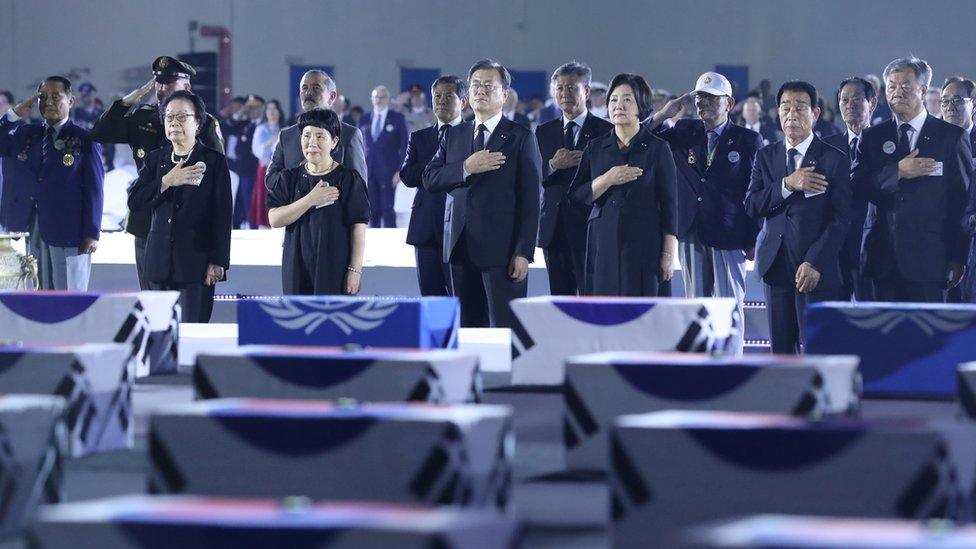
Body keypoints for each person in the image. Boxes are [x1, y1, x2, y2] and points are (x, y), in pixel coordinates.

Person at [649, 72, 764, 355]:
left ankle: (730, 365)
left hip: (730, 232)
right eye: (700, 97)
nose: (704, 103)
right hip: (690, 230)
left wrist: (753, 238)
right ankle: (699, 365)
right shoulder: (684, 130)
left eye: (712, 98)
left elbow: (755, 190)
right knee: (696, 305)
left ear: (730, 103)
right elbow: (643, 141)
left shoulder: (748, 139)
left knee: (729, 305)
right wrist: (665, 113)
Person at [424, 59, 542, 328]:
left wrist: (524, 251)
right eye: (476, 85)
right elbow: (430, 177)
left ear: (504, 94)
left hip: (503, 252)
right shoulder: (455, 135)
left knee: (504, 328)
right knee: (467, 328)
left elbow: (532, 199)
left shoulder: (520, 137)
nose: (481, 90)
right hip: (459, 246)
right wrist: (466, 167)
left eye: (489, 85)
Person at [90, 55, 224, 291]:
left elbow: (217, 184)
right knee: (153, 302)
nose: (162, 90)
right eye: (159, 83)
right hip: (147, 223)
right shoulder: (142, 118)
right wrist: (127, 102)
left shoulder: (204, 125)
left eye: (169, 83)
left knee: (190, 303)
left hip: (190, 225)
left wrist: (218, 253)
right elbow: (100, 133)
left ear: (187, 87)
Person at [853, 57, 972, 303]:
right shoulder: (872, 137)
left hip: (932, 262)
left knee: (929, 339)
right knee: (882, 340)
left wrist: (958, 257)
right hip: (881, 260)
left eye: (905, 85)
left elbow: (962, 202)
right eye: (891, 86)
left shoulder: (951, 137)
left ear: (924, 90)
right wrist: (897, 171)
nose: (897, 92)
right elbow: (857, 186)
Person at [745, 81, 851, 354]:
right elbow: (752, 205)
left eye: (800, 108)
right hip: (775, 265)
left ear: (815, 113)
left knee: (819, 349)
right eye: (785, 108)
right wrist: (787, 184)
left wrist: (815, 261)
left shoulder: (834, 158)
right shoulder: (766, 156)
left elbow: (840, 220)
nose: (792, 115)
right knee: (781, 351)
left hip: (816, 270)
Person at [568, 73, 678, 297]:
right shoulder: (596, 147)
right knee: (604, 311)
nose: (619, 105)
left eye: (627, 99)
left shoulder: (658, 148)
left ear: (641, 106)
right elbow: (576, 196)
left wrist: (668, 253)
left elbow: (670, 204)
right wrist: (607, 179)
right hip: (603, 240)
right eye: (614, 100)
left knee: (644, 310)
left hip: (645, 242)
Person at [127, 90, 232, 322]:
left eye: (182, 117)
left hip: (196, 263)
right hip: (158, 262)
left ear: (198, 123)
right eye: (169, 117)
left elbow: (222, 215)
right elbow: (135, 201)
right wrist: (166, 182)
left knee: (191, 332)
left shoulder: (213, 161)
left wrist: (218, 261)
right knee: (159, 334)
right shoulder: (156, 159)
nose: (174, 122)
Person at [0, 76, 104, 290]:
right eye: (43, 97)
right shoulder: (26, 134)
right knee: (40, 289)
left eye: (56, 96)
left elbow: (95, 189)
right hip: (34, 225)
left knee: (68, 291)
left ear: (71, 101)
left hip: (69, 229)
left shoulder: (84, 138)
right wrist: (14, 114)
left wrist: (92, 232)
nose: (48, 102)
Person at [267, 109, 369, 295]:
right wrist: (310, 200)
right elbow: (274, 219)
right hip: (296, 265)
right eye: (306, 135)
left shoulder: (348, 178)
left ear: (334, 142)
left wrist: (355, 271)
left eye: (320, 136)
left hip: (335, 266)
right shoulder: (289, 178)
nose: (312, 142)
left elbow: (358, 227)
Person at [536, 61, 613, 296]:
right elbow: (533, 175)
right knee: (560, 298)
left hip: (590, 227)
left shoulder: (605, 130)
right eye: (560, 88)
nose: (565, 94)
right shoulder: (544, 131)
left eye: (572, 88)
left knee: (593, 297)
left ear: (586, 91)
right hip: (554, 229)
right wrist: (552, 165)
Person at [400, 75, 468, 297]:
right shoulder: (419, 138)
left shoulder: (473, 136)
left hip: (462, 228)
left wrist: (432, 172)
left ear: (463, 101)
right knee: (430, 297)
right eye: (437, 96)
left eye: (449, 95)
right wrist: (447, 169)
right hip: (426, 227)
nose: (441, 101)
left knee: (463, 298)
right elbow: (408, 176)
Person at [266, 70, 367, 200]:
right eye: (304, 88)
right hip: (294, 217)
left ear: (332, 96)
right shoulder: (286, 136)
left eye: (316, 88)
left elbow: (359, 188)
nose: (309, 92)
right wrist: (300, 172)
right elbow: (271, 180)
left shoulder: (349, 135)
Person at [824, 77, 877, 302]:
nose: (849, 104)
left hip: (873, 247)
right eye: (844, 100)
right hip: (836, 249)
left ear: (872, 103)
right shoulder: (826, 147)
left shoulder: (886, 143)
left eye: (857, 98)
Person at [940, 77, 976, 302]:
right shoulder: (930, 143)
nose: (950, 107)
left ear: (973, 103)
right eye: (944, 101)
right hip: (940, 242)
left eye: (957, 100)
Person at [358, 85, 408, 228]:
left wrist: (400, 170)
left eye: (382, 97)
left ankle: (390, 246)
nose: (379, 100)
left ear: (387, 99)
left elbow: (405, 147)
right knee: (372, 211)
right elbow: (358, 146)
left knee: (388, 210)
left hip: (389, 172)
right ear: (372, 99)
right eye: (376, 97)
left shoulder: (397, 118)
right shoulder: (364, 119)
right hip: (369, 171)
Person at [224, 94, 264, 228]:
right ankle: (247, 225)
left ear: (262, 108)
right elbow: (229, 127)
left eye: (255, 108)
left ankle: (255, 226)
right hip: (244, 169)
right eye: (249, 108)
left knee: (256, 201)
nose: (252, 111)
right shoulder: (246, 124)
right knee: (245, 201)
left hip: (258, 168)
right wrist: (241, 112)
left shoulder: (264, 124)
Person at [249, 99, 283, 229]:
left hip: (281, 171)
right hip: (265, 169)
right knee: (263, 198)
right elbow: (257, 150)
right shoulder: (261, 129)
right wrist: (271, 141)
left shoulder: (284, 128)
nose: (272, 112)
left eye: (275, 109)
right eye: (269, 109)